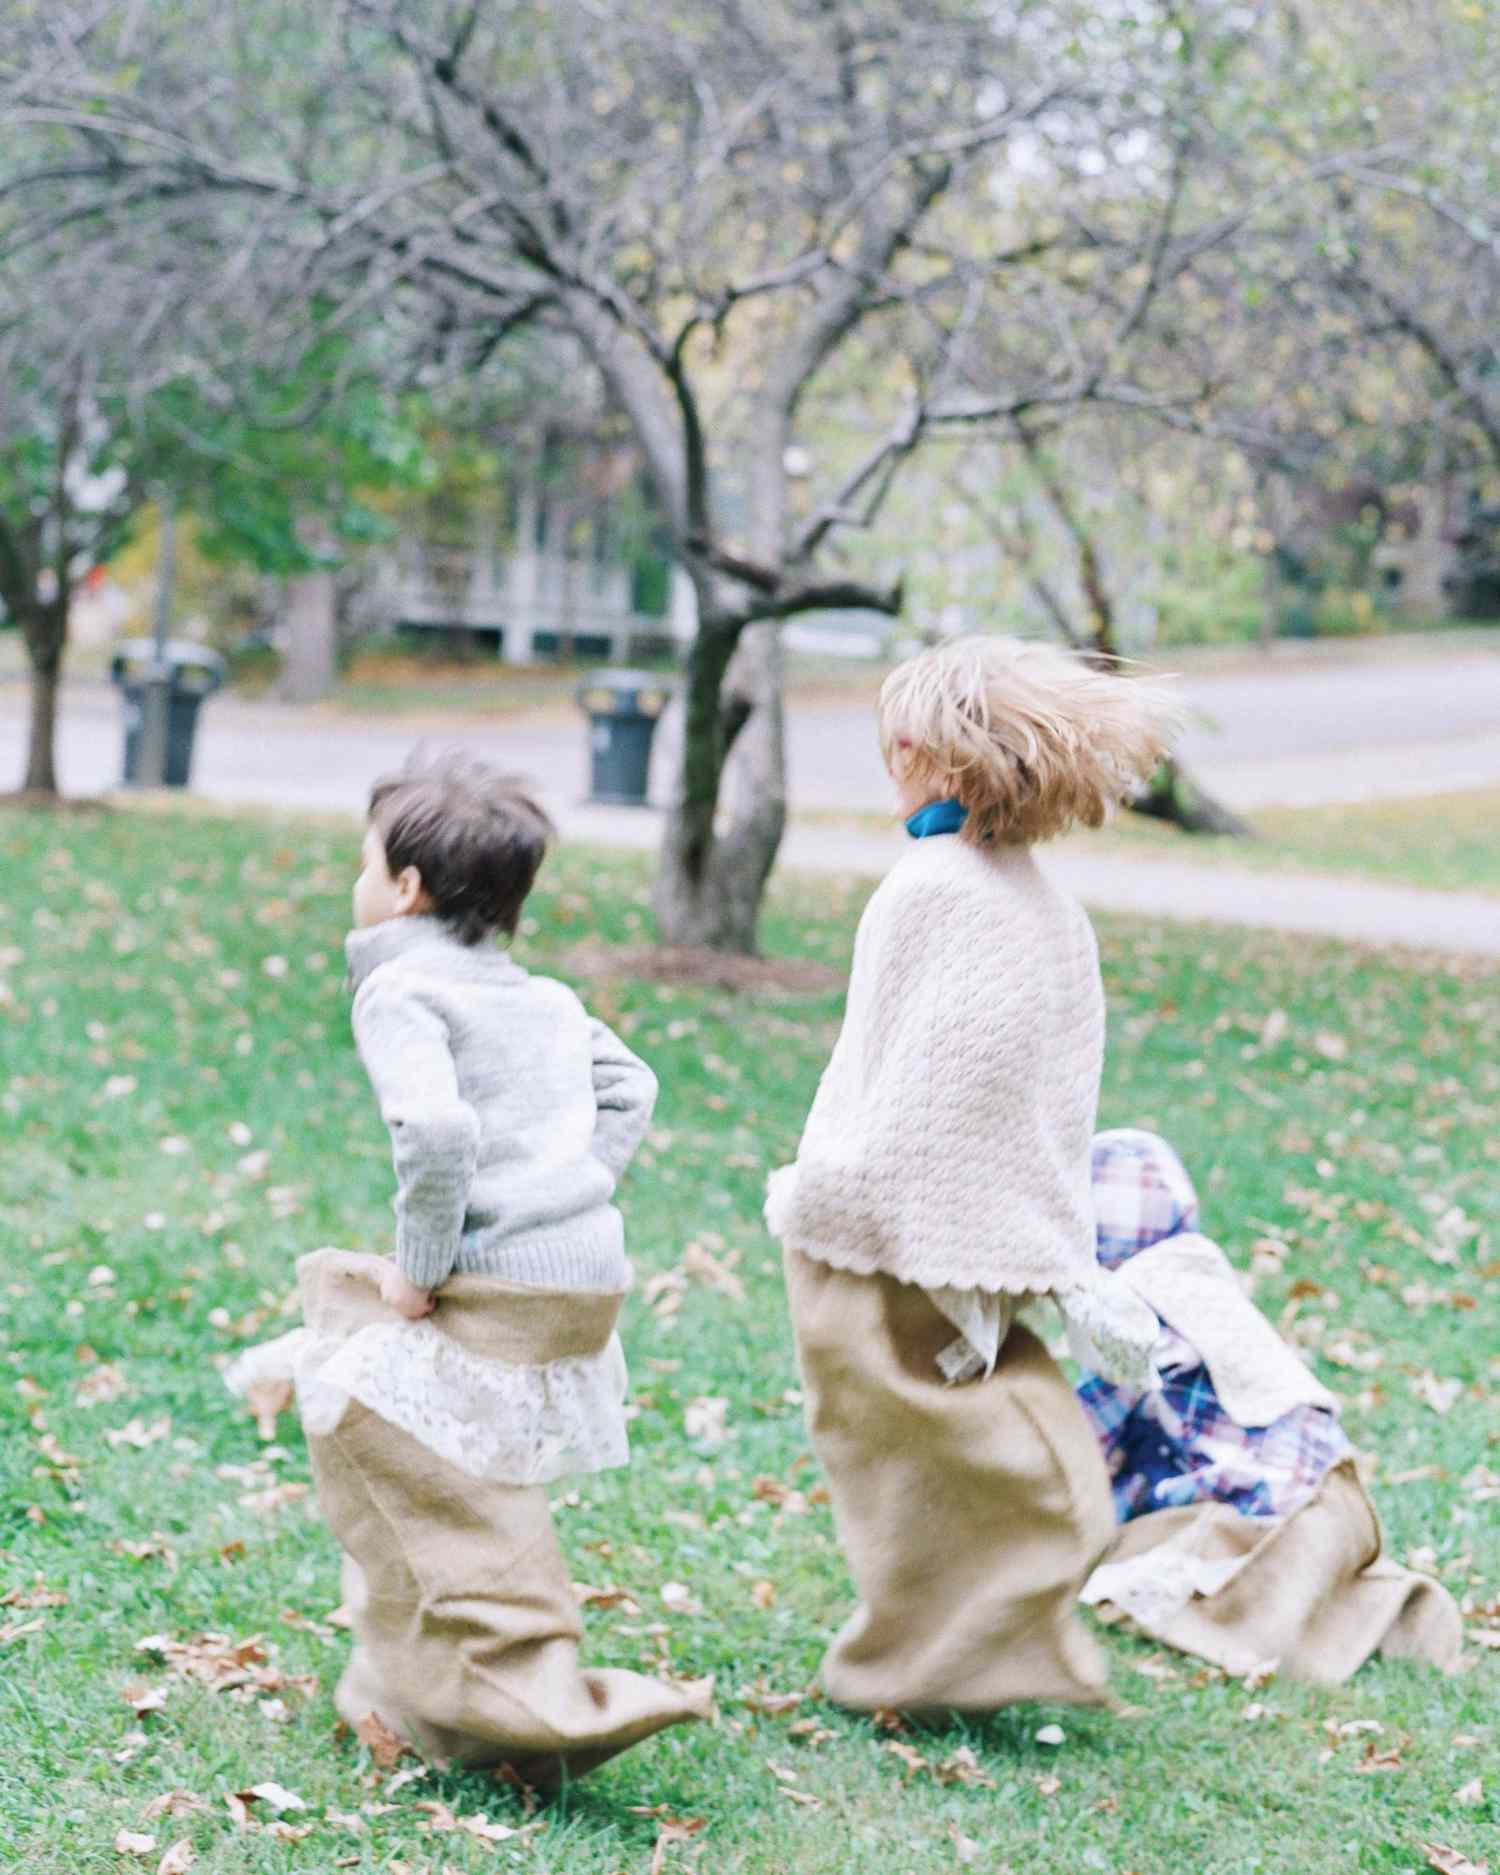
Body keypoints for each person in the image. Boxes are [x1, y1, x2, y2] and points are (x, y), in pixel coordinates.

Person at [230, 754, 708, 1781]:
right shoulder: (537, 993)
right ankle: (413, 1681)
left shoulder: (401, 985)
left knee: (363, 1412)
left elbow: (436, 1130)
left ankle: (492, 1693)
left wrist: (421, 1264)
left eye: (365, 862)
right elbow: (634, 1086)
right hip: (584, 1279)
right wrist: (572, 1188)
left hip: (507, 1283)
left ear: (404, 887)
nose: (356, 881)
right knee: (400, 1405)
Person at [764, 635, 1176, 1713]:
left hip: (892, 1235)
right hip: (972, 1231)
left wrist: (852, 1195)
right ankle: (950, 1650)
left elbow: (946, 1073)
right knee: (922, 1461)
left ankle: (923, 1659)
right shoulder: (1033, 897)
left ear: (931, 756)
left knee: (908, 1456)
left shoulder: (941, 890)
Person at [1076, 1128, 1463, 1681]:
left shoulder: (1129, 1322)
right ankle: (1376, 1605)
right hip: (1337, 1497)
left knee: (1139, 1566)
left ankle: (1288, 1626)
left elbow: (1082, 1446)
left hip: (1266, 1518)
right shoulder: (1207, 1289)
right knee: (1299, 1575)